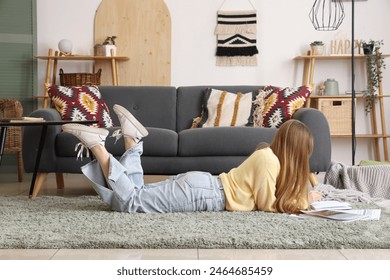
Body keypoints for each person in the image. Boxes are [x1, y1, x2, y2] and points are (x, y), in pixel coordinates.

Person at [62, 104, 321, 215]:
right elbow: (268, 205)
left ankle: (131, 139)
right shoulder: (269, 161)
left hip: (202, 188)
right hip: (204, 194)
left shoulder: (269, 156)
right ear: (296, 152)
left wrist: (302, 197)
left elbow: (271, 200)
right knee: (130, 203)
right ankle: (97, 146)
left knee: (136, 194)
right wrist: (305, 200)